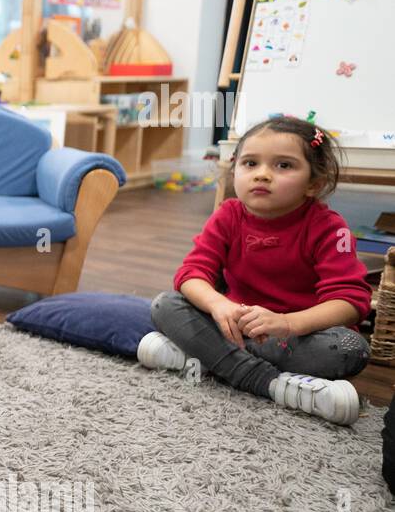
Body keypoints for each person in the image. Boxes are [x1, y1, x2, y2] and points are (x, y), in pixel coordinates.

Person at [140, 117, 371, 424]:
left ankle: (205, 358)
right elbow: (191, 274)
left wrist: (287, 323)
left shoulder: (330, 228)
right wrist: (219, 304)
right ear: (234, 170)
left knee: (350, 347)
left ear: (314, 183)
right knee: (165, 305)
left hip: (292, 339)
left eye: (283, 166)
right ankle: (270, 384)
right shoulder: (228, 214)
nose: (262, 175)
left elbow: (350, 303)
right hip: (233, 329)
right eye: (250, 163)